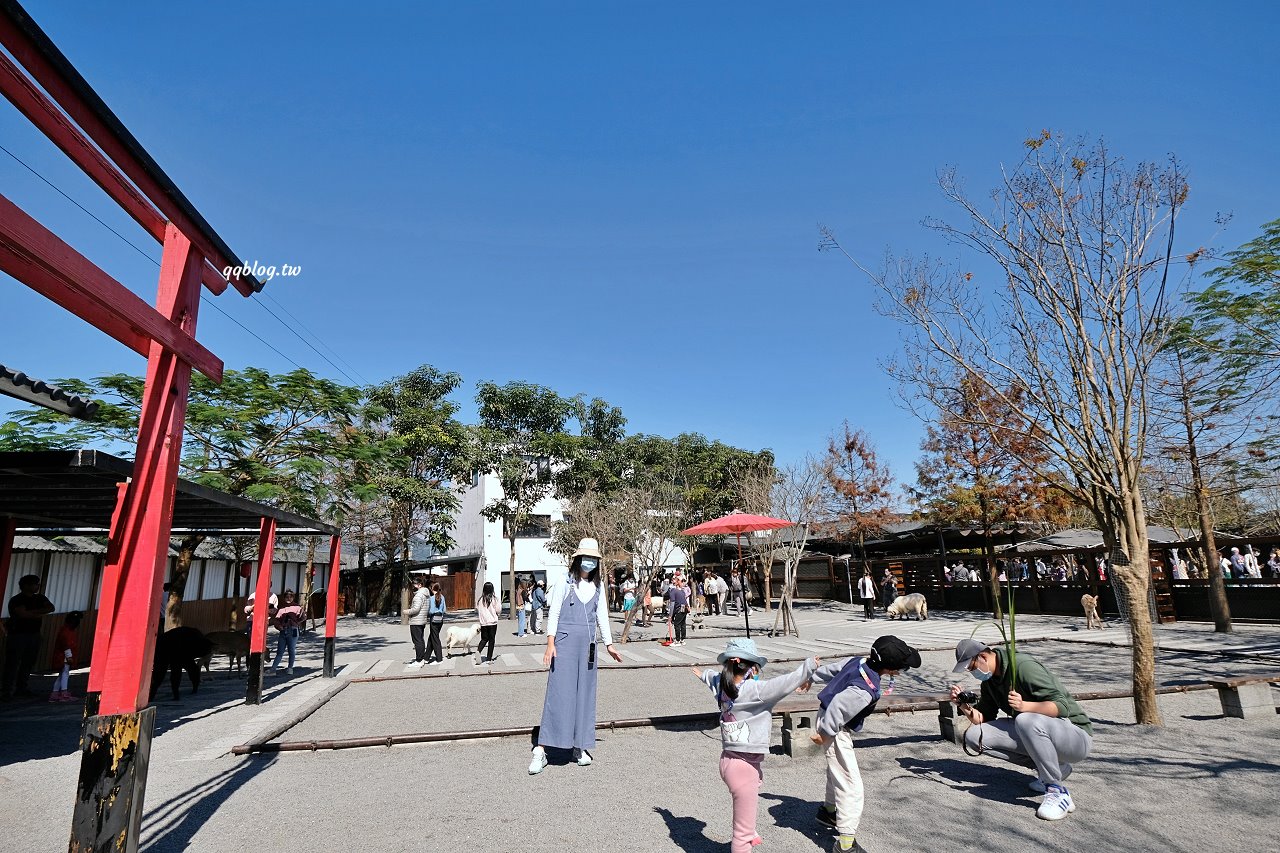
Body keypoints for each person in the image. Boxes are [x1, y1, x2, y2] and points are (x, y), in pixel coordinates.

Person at [694, 638, 819, 853]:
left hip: (729, 760)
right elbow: (786, 683)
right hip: (744, 767)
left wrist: (702, 674)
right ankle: (746, 839)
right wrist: (809, 665)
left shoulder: (721, 684)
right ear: (751, 667)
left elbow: (710, 676)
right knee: (741, 835)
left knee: (746, 821)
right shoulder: (756, 691)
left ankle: (750, 832)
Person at [949, 638, 1093, 821]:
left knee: (1025, 719)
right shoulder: (990, 681)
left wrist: (1024, 706)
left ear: (983, 656)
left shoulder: (1024, 666)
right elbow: (983, 720)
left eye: (971, 667)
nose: (972, 673)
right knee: (974, 736)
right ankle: (1053, 769)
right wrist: (964, 706)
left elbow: (1062, 707)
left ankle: (1057, 791)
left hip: (1075, 736)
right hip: (1038, 732)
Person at [811, 635, 921, 852]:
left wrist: (810, 677)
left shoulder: (859, 661)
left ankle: (829, 812)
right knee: (851, 784)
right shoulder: (864, 689)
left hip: (828, 719)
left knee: (838, 770)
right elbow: (838, 707)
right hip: (833, 727)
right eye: (902, 667)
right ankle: (845, 844)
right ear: (890, 669)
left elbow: (834, 669)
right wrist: (825, 733)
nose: (903, 670)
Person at [528, 538, 622, 774]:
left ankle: (579, 746)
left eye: (593, 559)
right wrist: (550, 643)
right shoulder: (565, 581)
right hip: (564, 643)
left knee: (585, 696)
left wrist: (609, 644)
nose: (589, 562)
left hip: (588, 647)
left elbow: (602, 616)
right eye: (586, 558)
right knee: (559, 693)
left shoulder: (598, 587)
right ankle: (541, 749)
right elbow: (556, 612)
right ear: (578, 559)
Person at [2, 574, 55, 700]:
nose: (37, 586)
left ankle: (21, 688)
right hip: (17, 635)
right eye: (35, 584)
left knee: (28, 663)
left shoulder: (40, 597)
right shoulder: (17, 599)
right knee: (12, 663)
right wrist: (39, 612)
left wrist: (32, 613)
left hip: (34, 634)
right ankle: (6, 691)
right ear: (26, 585)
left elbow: (51, 608)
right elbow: (22, 614)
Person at [49, 610, 83, 702]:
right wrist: (69, 657)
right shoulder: (66, 632)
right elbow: (66, 645)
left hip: (63, 656)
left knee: (62, 675)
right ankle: (63, 692)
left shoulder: (66, 630)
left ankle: (55, 693)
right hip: (63, 657)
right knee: (65, 674)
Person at [270, 589, 302, 674]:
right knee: (280, 651)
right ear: (284, 598)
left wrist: (296, 623)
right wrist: (279, 626)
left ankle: (290, 668)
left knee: (291, 650)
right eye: (287, 597)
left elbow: (302, 618)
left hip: (293, 630)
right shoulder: (282, 609)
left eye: (290, 596)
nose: (288, 598)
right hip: (283, 630)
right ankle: (273, 668)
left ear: (293, 597)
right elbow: (276, 620)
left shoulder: (297, 607)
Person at [405, 576, 431, 668]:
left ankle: (419, 660)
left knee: (417, 641)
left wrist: (407, 611)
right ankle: (421, 658)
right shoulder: (426, 594)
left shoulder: (419, 595)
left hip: (416, 620)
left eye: (414, 584)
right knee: (420, 639)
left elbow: (416, 609)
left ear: (420, 585)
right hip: (422, 620)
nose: (413, 586)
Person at [475, 581, 500, 664]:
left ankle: (478, 650)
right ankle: (489, 658)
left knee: (484, 639)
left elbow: (478, 609)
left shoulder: (480, 600)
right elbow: (498, 610)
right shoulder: (494, 599)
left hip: (483, 623)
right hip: (492, 623)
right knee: (491, 640)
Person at [425, 583, 447, 664]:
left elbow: (430, 611)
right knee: (432, 638)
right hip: (440, 619)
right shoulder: (443, 597)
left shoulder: (431, 598)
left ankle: (439, 658)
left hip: (433, 619)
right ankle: (426, 657)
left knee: (435, 639)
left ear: (433, 590)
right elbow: (444, 610)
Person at [666, 575, 691, 646]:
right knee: (683, 624)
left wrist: (670, 615)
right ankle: (682, 640)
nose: (673, 580)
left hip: (679, 609)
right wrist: (688, 608)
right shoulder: (682, 591)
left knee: (677, 624)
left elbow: (672, 604)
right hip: (684, 608)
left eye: (674, 579)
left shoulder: (673, 591)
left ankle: (677, 640)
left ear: (676, 582)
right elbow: (685, 601)